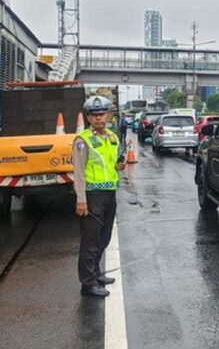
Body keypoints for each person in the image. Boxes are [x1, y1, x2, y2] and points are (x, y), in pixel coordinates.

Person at [73, 95, 126, 297]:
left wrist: (118, 166)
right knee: (90, 241)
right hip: (92, 195)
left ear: (109, 116)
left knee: (104, 238)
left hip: (109, 194)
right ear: (88, 118)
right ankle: (87, 284)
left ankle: (96, 273)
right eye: (93, 115)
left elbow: (110, 165)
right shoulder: (82, 140)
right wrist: (81, 200)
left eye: (102, 114)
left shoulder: (112, 138)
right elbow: (78, 172)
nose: (98, 119)